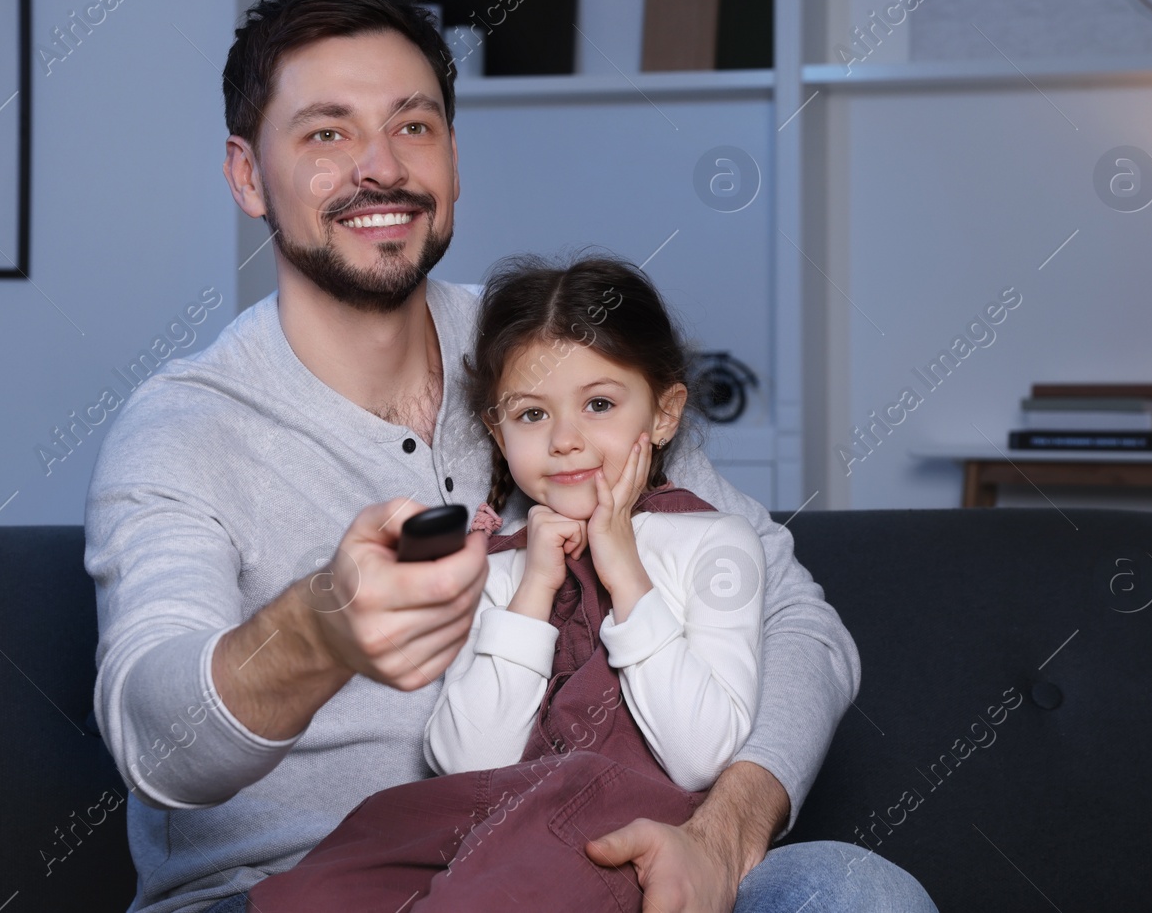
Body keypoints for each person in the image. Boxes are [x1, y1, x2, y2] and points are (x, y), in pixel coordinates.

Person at [84, 0, 937, 913]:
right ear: (249, 175)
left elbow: (800, 621)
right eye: (327, 132)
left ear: (452, 158)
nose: (381, 167)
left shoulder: (555, 356)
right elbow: (155, 739)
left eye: (413, 126)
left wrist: (720, 834)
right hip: (281, 890)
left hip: (593, 863)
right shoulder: (184, 428)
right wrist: (317, 628)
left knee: (853, 892)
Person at [245, 255, 767, 912]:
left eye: (599, 404)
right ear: (497, 428)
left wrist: (622, 565)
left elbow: (699, 756)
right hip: (489, 815)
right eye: (531, 415)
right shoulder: (497, 566)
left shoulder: (715, 544)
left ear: (663, 415)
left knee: (510, 878)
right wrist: (531, 592)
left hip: (619, 824)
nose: (566, 440)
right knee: (341, 868)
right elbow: (468, 762)